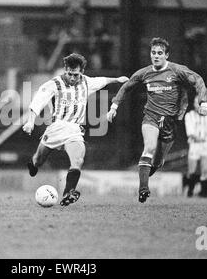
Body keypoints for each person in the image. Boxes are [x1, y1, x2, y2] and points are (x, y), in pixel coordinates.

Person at [107, 37, 207, 203]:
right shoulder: (144, 73)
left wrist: (203, 103)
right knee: (149, 147)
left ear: (166, 55)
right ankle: (143, 189)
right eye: (153, 52)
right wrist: (114, 107)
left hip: (170, 122)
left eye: (160, 53)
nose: (155, 56)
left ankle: (147, 171)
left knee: (158, 162)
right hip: (151, 117)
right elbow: (126, 87)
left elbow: (198, 80)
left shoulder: (177, 71)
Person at [22, 53, 129, 206]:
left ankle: (68, 193)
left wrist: (117, 80)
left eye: (76, 74)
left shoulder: (87, 82)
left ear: (82, 72)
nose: (72, 77)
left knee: (77, 160)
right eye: (69, 74)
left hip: (74, 131)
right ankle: (33, 164)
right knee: (38, 160)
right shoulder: (54, 84)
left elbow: (102, 81)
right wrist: (31, 122)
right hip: (56, 128)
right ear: (65, 70)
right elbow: (37, 102)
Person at [184, 96, 207, 197]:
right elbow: (190, 132)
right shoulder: (189, 115)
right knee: (192, 170)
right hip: (194, 144)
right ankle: (190, 190)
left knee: (204, 169)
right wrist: (198, 138)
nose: (198, 105)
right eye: (196, 103)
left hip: (206, 144)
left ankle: (204, 192)